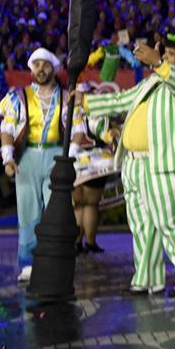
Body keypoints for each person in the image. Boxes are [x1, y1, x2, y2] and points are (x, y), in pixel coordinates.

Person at [81, 29, 175, 296]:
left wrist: (158, 63)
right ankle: (148, 277)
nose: (167, 57)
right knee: (141, 224)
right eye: (166, 53)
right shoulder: (154, 80)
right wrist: (85, 103)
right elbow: (122, 100)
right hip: (134, 163)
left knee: (169, 220)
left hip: (162, 162)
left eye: (172, 54)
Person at [0, 48, 73, 282]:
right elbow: (7, 129)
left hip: (55, 156)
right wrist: (8, 158)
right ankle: (28, 263)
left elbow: (77, 130)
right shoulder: (19, 97)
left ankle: (53, 261)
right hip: (28, 158)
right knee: (28, 212)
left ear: (54, 68)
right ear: (31, 69)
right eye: (36, 65)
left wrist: (74, 157)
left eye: (46, 65)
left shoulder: (66, 97)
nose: (41, 69)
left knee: (55, 212)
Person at [69, 83, 119, 254]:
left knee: (77, 204)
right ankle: (89, 242)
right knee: (90, 204)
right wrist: (111, 135)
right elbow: (101, 131)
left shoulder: (66, 111)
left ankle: (76, 242)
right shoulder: (93, 111)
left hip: (72, 161)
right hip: (95, 162)